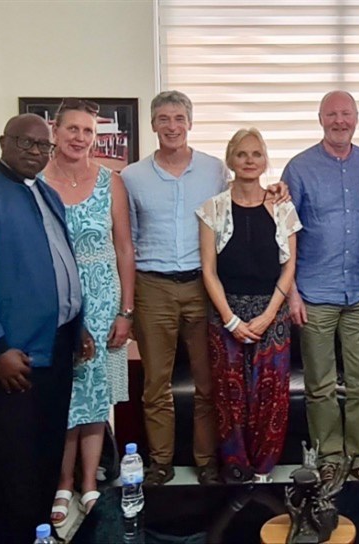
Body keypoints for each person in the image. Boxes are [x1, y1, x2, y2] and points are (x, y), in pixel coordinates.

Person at [122, 91, 289, 486]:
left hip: (201, 284)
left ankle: (207, 462)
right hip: (153, 285)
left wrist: (278, 189)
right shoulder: (132, 177)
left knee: (208, 383)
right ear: (152, 124)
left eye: (179, 118)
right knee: (155, 384)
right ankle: (160, 462)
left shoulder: (214, 170)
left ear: (190, 123)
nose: (172, 126)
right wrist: (126, 305)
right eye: (163, 118)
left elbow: (253, 191)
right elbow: (126, 242)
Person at [0, 114, 91, 543]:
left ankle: (40, 533)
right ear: (3, 141)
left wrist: (75, 323)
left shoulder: (43, 192)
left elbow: (59, 264)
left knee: (45, 457)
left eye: (42, 146)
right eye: (24, 143)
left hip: (55, 348)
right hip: (9, 359)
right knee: (12, 468)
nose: (34, 152)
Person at [38, 98, 135, 524]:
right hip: (56, 303)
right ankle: (62, 483)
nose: (80, 138)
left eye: (88, 131)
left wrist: (126, 310)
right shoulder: (36, 183)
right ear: (55, 132)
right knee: (64, 396)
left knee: (96, 400)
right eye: (72, 129)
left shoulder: (110, 182)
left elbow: (124, 248)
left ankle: (91, 483)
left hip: (104, 300)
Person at [283, 90, 359, 482]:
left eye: (346, 114)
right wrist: (291, 291)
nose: (339, 121)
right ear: (320, 119)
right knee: (319, 385)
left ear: (356, 118)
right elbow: (285, 234)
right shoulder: (300, 168)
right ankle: (329, 456)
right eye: (332, 114)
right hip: (314, 292)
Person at [197, 128, 301, 483]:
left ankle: (263, 469)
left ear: (265, 160)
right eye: (242, 154)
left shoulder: (282, 208)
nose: (249, 161)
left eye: (256, 154)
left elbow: (289, 267)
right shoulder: (212, 209)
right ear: (230, 160)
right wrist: (230, 319)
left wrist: (270, 314)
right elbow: (208, 271)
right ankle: (236, 468)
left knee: (270, 395)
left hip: (272, 314)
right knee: (229, 396)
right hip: (227, 314)